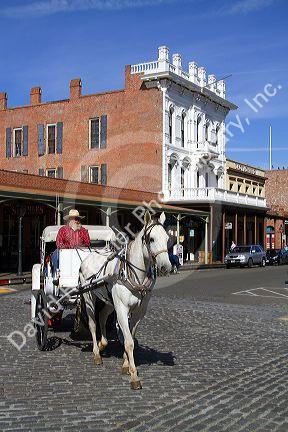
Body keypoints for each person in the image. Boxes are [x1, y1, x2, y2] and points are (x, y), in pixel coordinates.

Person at [50, 209, 91, 273]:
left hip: (81, 253)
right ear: (70, 220)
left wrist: (79, 246)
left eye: (78, 219)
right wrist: (71, 246)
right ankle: (56, 273)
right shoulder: (63, 230)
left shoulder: (84, 230)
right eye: (75, 219)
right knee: (56, 254)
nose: (77, 221)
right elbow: (59, 244)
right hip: (65, 253)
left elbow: (88, 243)